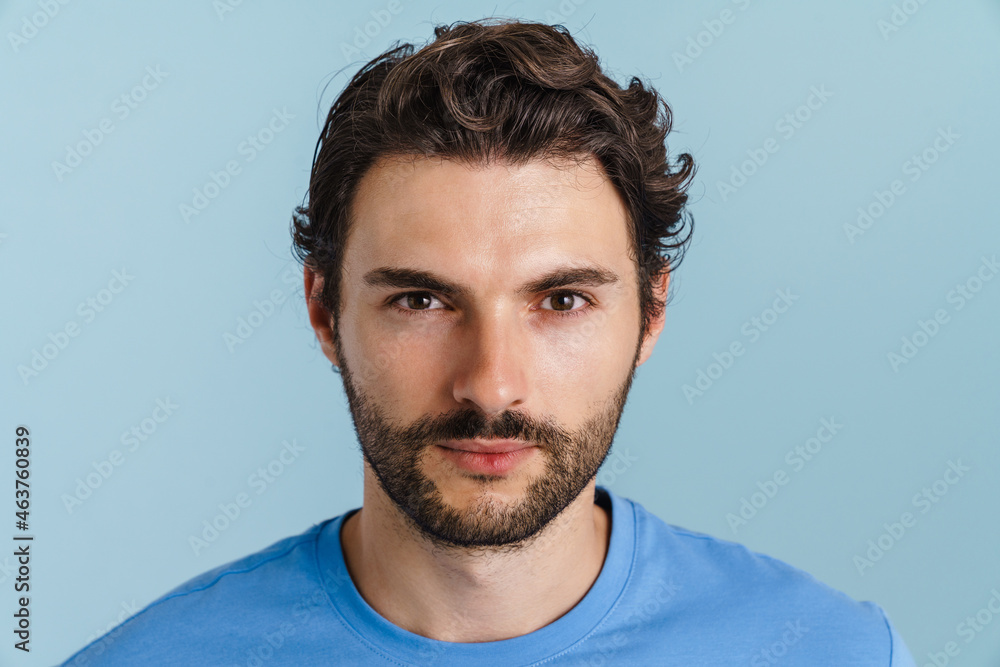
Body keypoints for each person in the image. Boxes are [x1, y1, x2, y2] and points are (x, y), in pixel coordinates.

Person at [62, 18, 917, 666]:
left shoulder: (835, 651)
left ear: (651, 313)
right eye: (423, 300)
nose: (492, 384)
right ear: (325, 312)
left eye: (562, 300)